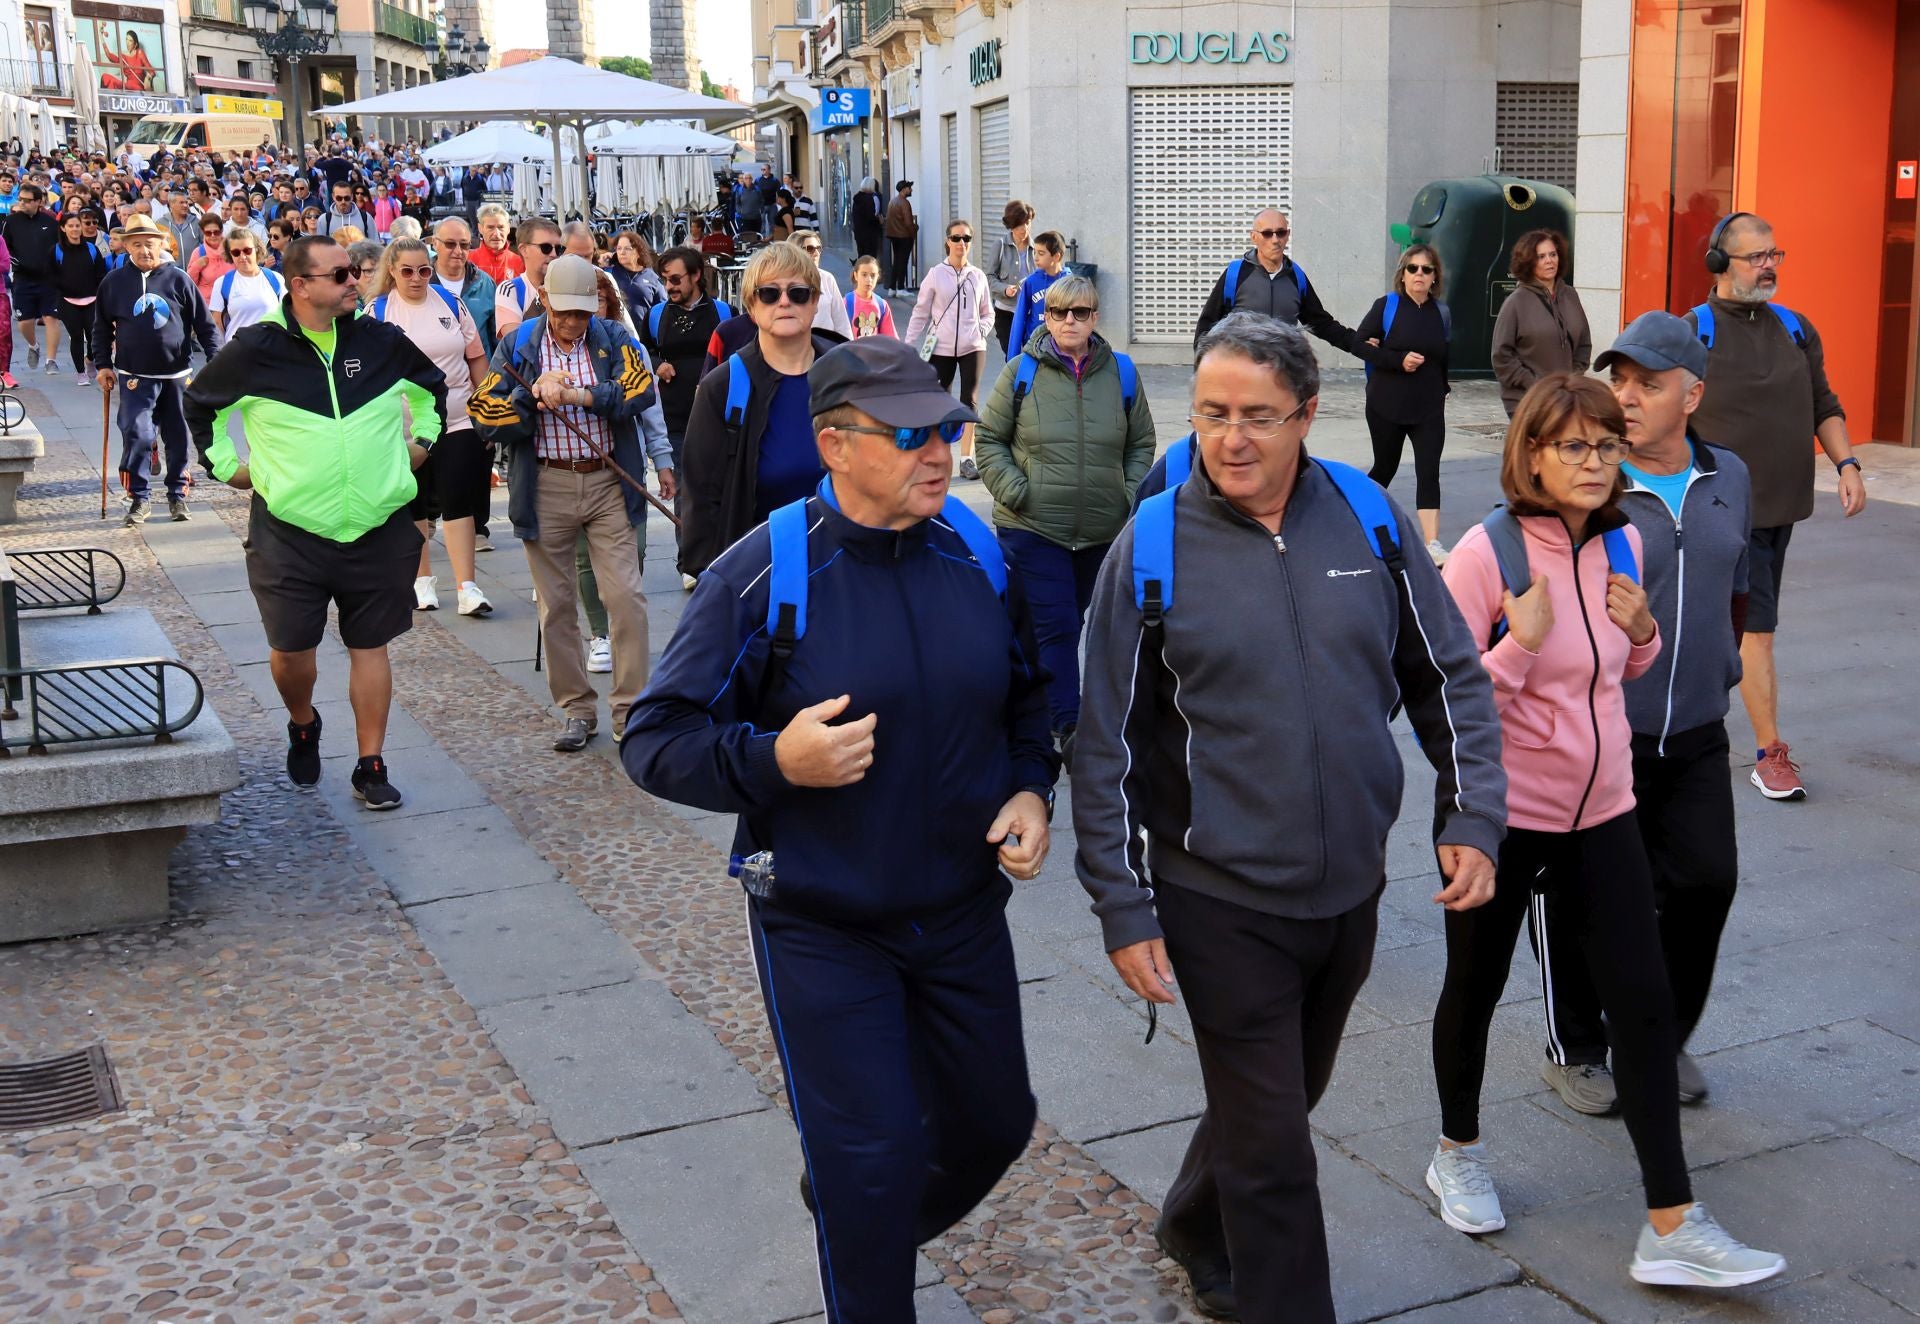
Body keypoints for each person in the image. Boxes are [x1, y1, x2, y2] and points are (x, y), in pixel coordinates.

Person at [1074, 312, 1507, 1323]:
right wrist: (1123, 906)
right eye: (1213, 413)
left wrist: (1472, 811)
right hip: (1216, 897)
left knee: (1275, 1099)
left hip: (1349, 890)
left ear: (1309, 415)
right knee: (1275, 1153)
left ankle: (1190, 1215)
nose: (1230, 438)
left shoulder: (1367, 517)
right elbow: (1105, 745)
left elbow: (1448, 674)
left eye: (1258, 417)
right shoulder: (1151, 548)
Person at [622, 334, 1055, 1324]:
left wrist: (1032, 792)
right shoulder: (764, 574)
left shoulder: (977, 553)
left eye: (947, 428)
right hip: (822, 921)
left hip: (959, 913)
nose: (941, 453)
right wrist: (777, 761)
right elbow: (654, 739)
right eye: (910, 436)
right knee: (872, 1160)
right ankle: (864, 1219)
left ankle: (863, 1210)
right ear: (834, 443)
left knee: (996, 1124)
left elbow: (1029, 704)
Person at [1430, 371, 1783, 1290]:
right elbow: (1444, 698)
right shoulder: (1485, 551)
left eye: (1607, 446)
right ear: (1532, 453)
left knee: (1644, 1007)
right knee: (1475, 985)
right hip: (1503, 815)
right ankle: (1456, 1150)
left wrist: (1642, 632)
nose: (1595, 462)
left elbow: (1623, 665)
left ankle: (1671, 1222)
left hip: (1605, 808)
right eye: (1575, 446)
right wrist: (1517, 644)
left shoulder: (1623, 540)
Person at [1526, 312, 1749, 1119]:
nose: (1625, 397)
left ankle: (1657, 1035)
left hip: (1693, 732)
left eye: (1646, 385)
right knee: (1578, 895)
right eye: (1618, 379)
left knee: (1705, 882)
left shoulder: (1730, 477)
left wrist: (1728, 670)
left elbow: (1737, 587)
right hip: (1598, 735)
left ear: (1691, 395)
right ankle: (1577, 1048)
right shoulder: (1590, 484)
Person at [186, 234, 447, 810]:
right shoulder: (256, 349)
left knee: (370, 644)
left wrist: (423, 442)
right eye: (339, 275)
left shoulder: (380, 341)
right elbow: (201, 404)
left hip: (376, 525)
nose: (354, 281)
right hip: (289, 531)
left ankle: (370, 763)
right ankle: (303, 722)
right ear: (300, 286)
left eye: (353, 272)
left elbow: (433, 390)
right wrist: (229, 468)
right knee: (291, 654)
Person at [1683, 211, 1865, 801]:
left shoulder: (1796, 328)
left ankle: (1678, 723)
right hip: (1719, 510)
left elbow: (1823, 402)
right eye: (1755, 256)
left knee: (1726, 626)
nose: (1768, 266)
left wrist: (1847, 464)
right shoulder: (1694, 331)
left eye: (1773, 255)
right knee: (1756, 629)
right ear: (1719, 264)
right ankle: (1769, 752)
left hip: (1780, 509)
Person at [469, 255, 670, 752]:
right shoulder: (519, 343)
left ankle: (629, 709)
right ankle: (577, 710)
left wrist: (579, 396)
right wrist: (531, 398)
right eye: (565, 312)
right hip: (546, 485)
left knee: (625, 597)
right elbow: (483, 410)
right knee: (556, 605)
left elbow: (639, 391)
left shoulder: (616, 338)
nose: (574, 322)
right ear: (545, 301)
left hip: (606, 483)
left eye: (582, 313)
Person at [975, 274, 1154, 755]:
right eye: (1058, 312)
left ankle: (1037, 699)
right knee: (1055, 625)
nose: (1069, 321)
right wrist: (1016, 490)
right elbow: (988, 439)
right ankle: (1069, 728)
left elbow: (1140, 443)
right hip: (1034, 526)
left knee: (1077, 622)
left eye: (1080, 312)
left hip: (1102, 529)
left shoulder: (1122, 372)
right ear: (1046, 316)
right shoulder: (1020, 372)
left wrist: (1129, 493)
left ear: (1095, 317)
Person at [678, 243, 841, 580]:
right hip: (761, 576)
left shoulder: (848, 376)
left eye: (798, 293)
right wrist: (712, 581)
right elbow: (699, 494)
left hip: (844, 568)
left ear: (814, 302)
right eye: (768, 293)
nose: (784, 301)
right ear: (751, 306)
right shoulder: (721, 388)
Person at [364, 235, 493, 617]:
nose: (417, 278)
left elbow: (477, 357)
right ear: (392, 271)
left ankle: (467, 585)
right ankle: (422, 581)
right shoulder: (378, 310)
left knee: (458, 497)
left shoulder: (451, 303)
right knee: (413, 501)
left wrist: (484, 409)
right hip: (403, 424)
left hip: (455, 416)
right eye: (407, 271)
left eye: (424, 269)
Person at [574, 269, 676, 675]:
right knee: (585, 556)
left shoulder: (628, 345)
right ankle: (600, 633)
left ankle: (624, 622)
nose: (592, 308)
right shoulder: (554, 346)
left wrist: (663, 460)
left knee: (635, 549)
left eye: (599, 300)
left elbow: (651, 409)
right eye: (585, 300)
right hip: (578, 464)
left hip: (626, 460)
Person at [91, 215, 218, 525]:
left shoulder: (179, 279)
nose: (143, 250)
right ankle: (139, 496)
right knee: (137, 433)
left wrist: (216, 360)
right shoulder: (114, 282)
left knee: (177, 436)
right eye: (136, 244)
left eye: (149, 243)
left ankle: (177, 495)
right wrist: (103, 365)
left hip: (176, 375)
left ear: (161, 244)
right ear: (126, 246)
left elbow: (204, 324)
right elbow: (101, 329)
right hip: (134, 375)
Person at [1354, 243, 1453, 564]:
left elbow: (1444, 357)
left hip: (1428, 406)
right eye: (1413, 268)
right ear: (1403, 273)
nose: (1419, 275)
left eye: (1426, 269)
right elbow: (1359, 345)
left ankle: (1432, 544)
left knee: (1429, 472)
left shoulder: (1441, 313)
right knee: (1385, 467)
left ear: (1435, 276)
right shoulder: (1387, 306)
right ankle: (1353, 517)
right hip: (1387, 404)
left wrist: (1443, 389)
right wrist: (1397, 360)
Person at [641, 244, 730, 586]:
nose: (670, 286)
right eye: (666, 280)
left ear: (696, 276)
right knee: (682, 490)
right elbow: (643, 348)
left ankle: (720, 554)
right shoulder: (658, 314)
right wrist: (656, 362)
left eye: (677, 279)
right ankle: (688, 561)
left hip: (716, 417)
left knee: (715, 487)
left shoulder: (722, 313)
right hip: (674, 416)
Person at [1192, 209, 1361, 356]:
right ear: (1254, 237)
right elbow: (1207, 325)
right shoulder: (1235, 274)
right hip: (1243, 375)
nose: (1275, 240)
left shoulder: (1296, 276)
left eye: (1280, 233)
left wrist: (1361, 343)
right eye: (1267, 233)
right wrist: (1202, 371)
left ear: (1287, 235)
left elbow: (1321, 323)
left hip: (1284, 374)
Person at [904, 220, 993, 479]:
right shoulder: (935, 274)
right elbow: (920, 312)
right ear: (947, 241)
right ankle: (937, 454)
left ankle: (967, 458)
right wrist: (909, 344)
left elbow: (988, 312)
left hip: (972, 347)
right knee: (938, 400)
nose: (961, 243)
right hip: (939, 347)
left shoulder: (978, 276)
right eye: (956, 238)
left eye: (966, 239)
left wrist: (981, 330)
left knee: (970, 401)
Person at [1490, 229, 1591, 418]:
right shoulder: (1515, 302)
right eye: (1541, 256)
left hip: (1565, 400)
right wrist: (1535, 384)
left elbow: (1584, 344)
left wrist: (1572, 380)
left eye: (1553, 254)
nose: (1549, 261)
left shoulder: (1570, 295)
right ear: (1528, 262)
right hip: (1527, 401)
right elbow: (1501, 357)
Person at [5, 184, 60, 373]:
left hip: (48, 279)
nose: (22, 203)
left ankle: (51, 361)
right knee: (24, 322)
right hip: (22, 278)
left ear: (39, 201)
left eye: (27, 200)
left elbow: (59, 248)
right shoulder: (11, 222)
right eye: (20, 199)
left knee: (51, 317)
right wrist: (15, 262)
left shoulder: (51, 222)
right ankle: (33, 345)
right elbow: (5, 247)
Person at [51, 207, 107, 386]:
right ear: (63, 228)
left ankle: (90, 359)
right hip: (68, 302)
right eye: (71, 226)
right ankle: (81, 373)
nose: (75, 229)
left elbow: (100, 274)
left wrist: (100, 295)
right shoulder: (57, 250)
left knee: (93, 336)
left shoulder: (91, 249)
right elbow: (51, 277)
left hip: (92, 299)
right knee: (76, 336)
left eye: (77, 225)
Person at [206, 227, 284, 345]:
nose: (242, 257)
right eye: (236, 252)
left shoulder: (276, 279)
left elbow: (287, 317)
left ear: (257, 250)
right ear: (230, 254)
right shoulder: (222, 283)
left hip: (271, 353)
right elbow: (217, 325)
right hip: (237, 353)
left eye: (247, 250)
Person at [431, 215, 496, 355]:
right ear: (435, 243)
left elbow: (496, 339)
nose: (458, 251)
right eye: (450, 244)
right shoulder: (421, 281)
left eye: (464, 245)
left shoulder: (485, 283)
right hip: (436, 373)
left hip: (482, 373)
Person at [495, 215, 559, 341]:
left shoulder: (568, 285)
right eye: (545, 248)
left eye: (558, 248)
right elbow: (515, 342)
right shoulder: (510, 289)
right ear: (524, 250)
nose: (554, 254)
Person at [987, 200, 1036, 357]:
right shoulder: (1000, 245)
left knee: (1031, 356)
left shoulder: (1037, 249)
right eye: (1019, 224)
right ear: (1011, 225)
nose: (1024, 228)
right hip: (1005, 312)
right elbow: (989, 277)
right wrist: (1005, 289)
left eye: (1027, 223)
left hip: (1030, 312)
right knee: (1012, 357)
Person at [1006, 230, 1065, 353]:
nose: (1035, 257)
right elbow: (1019, 317)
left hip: (1062, 346)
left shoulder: (1069, 282)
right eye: (1035, 252)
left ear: (1056, 256)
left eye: (1041, 253)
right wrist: (1013, 355)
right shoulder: (1031, 282)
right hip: (1034, 346)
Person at [793, 230, 853, 338]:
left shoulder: (827, 279)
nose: (816, 253)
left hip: (827, 347)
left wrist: (848, 349)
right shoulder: (786, 282)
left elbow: (842, 322)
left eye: (818, 248)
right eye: (810, 249)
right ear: (796, 251)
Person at [610, 230, 666, 317]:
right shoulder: (609, 274)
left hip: (644, 329)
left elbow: (662, 309)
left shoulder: (653, 278)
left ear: (638, 252)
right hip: (616, 329)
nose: (622, 252)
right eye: (619, 248)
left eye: (627, 248)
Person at [185, 214, 234, 309]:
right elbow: (190, 284)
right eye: (208, 233)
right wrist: (196, 266)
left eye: (216, 232)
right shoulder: (198, 252)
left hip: (231, 303)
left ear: (222, 231)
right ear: (203, 233)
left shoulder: (232, 250)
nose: (212, 236)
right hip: (207, 306)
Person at [470, 202, 522, 284]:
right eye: (490, 227)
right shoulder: (469, 261)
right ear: (480, 228)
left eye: (501, 227)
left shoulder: (520, 263)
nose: (496, 233)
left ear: (508, 228)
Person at [844, 254, 895, 339]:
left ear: (878, 276)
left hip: (874, 351)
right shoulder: (846, 303)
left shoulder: (882, 305)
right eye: (864, 275)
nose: (869, 279)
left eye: (873, 275)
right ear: (856, 275)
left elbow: (891, 339)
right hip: (851, 351)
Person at [883, 180, 917, 293]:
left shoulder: (893, 201)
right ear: (904, 189)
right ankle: (901, 288)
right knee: (902, 261)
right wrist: (914, 232)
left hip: (894, 235)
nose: (911, 190)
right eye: (909, 188)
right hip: (904, 236)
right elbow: (908, 223)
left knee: (897, 261)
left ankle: (893, 288)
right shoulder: (904, 203)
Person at [850, 175, 883, 261]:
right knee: (870, 258)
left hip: (859, 233)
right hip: (869, 234)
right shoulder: (868, 199)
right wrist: (879, 220)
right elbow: (871, 217)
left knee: (861, 256)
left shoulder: (857, 199)